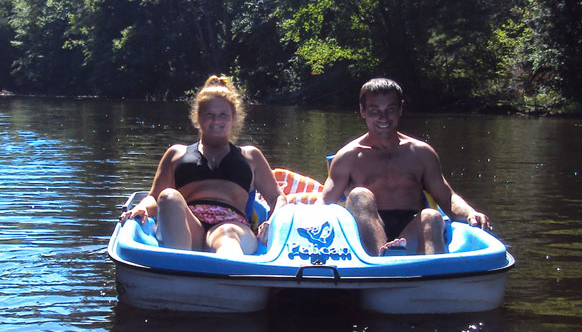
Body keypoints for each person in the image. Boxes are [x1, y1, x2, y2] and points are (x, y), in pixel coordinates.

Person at [120, 75, 286, 256]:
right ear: (198, 117)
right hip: (189, 227)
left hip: (231, 226)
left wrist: (272, 221)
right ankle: (179, 268)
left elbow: (278, 198)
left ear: (233, 118)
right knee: (168, 196)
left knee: (226, 234)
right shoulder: (176, 154)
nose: (216, 121)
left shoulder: (250, 156)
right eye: (209, 115)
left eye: (223, 115)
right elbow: (153, 197)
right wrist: (141, 207)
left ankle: (228, 273)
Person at [321, 78, 489, 256]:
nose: (383, 118)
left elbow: (448, 198)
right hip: (365, 234)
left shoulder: (421, 153)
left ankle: (432, 274)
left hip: (409, 230)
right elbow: (325, 203)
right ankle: (381, 260)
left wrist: (471, 213)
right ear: (363, 111)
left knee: (432, 216)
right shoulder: (348, 156)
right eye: (375, 111)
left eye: (390, 109)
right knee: (358, 195)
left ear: (400, 109)